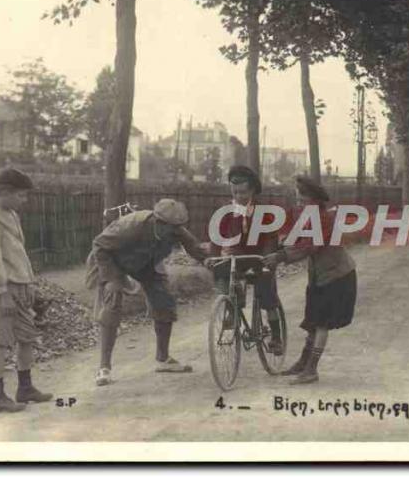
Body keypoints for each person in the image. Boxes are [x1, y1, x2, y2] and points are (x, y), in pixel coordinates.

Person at [86, 198, 208, 386]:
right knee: (112, 300)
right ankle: (104, 368)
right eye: (171, 227)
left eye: (179, 227)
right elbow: (100, 245)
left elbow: (195, 249)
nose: (175, 232)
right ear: (158, 222)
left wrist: (212, 262)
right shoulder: (132, 225)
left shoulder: (175, 230)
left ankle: (163, 359)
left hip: (147, 264)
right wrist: (112, 278)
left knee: (164, 302)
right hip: (113, 261)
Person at [263, 176, 357, 385]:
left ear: (314, 200)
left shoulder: (323, 219)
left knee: (322, 323)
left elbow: (309, 246)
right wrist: (278, 248)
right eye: (298, 200)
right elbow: (295, 239)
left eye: (303, 200)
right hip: (320, 276)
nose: (299, 203)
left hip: (336, 276)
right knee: (313, 321)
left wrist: (280, 257)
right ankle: (302, 363)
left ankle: (311, 370)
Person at [0, 168, 53, 413]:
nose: (25, 200)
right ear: (4, 193)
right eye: (21, 196)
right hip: (3, 288)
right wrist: (2, 292)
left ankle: (25, 387)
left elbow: (19, 255)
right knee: (0, 340)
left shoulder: (11, 215)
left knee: (26, 337)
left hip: (21, 287)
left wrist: (29, 285)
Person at [210, 165, 283, 355]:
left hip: (260, 256)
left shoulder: (263, 212)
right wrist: (213, 256)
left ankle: (276, 337)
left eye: (242, 192)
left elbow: (270, 238)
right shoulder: (227, 212)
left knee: (266, 288)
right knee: (221, 270)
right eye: (234, 192)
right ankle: (233, 307)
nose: (238, 196)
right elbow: (217, 237)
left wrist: (267, 259)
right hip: (239, 256)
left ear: (252, 191)